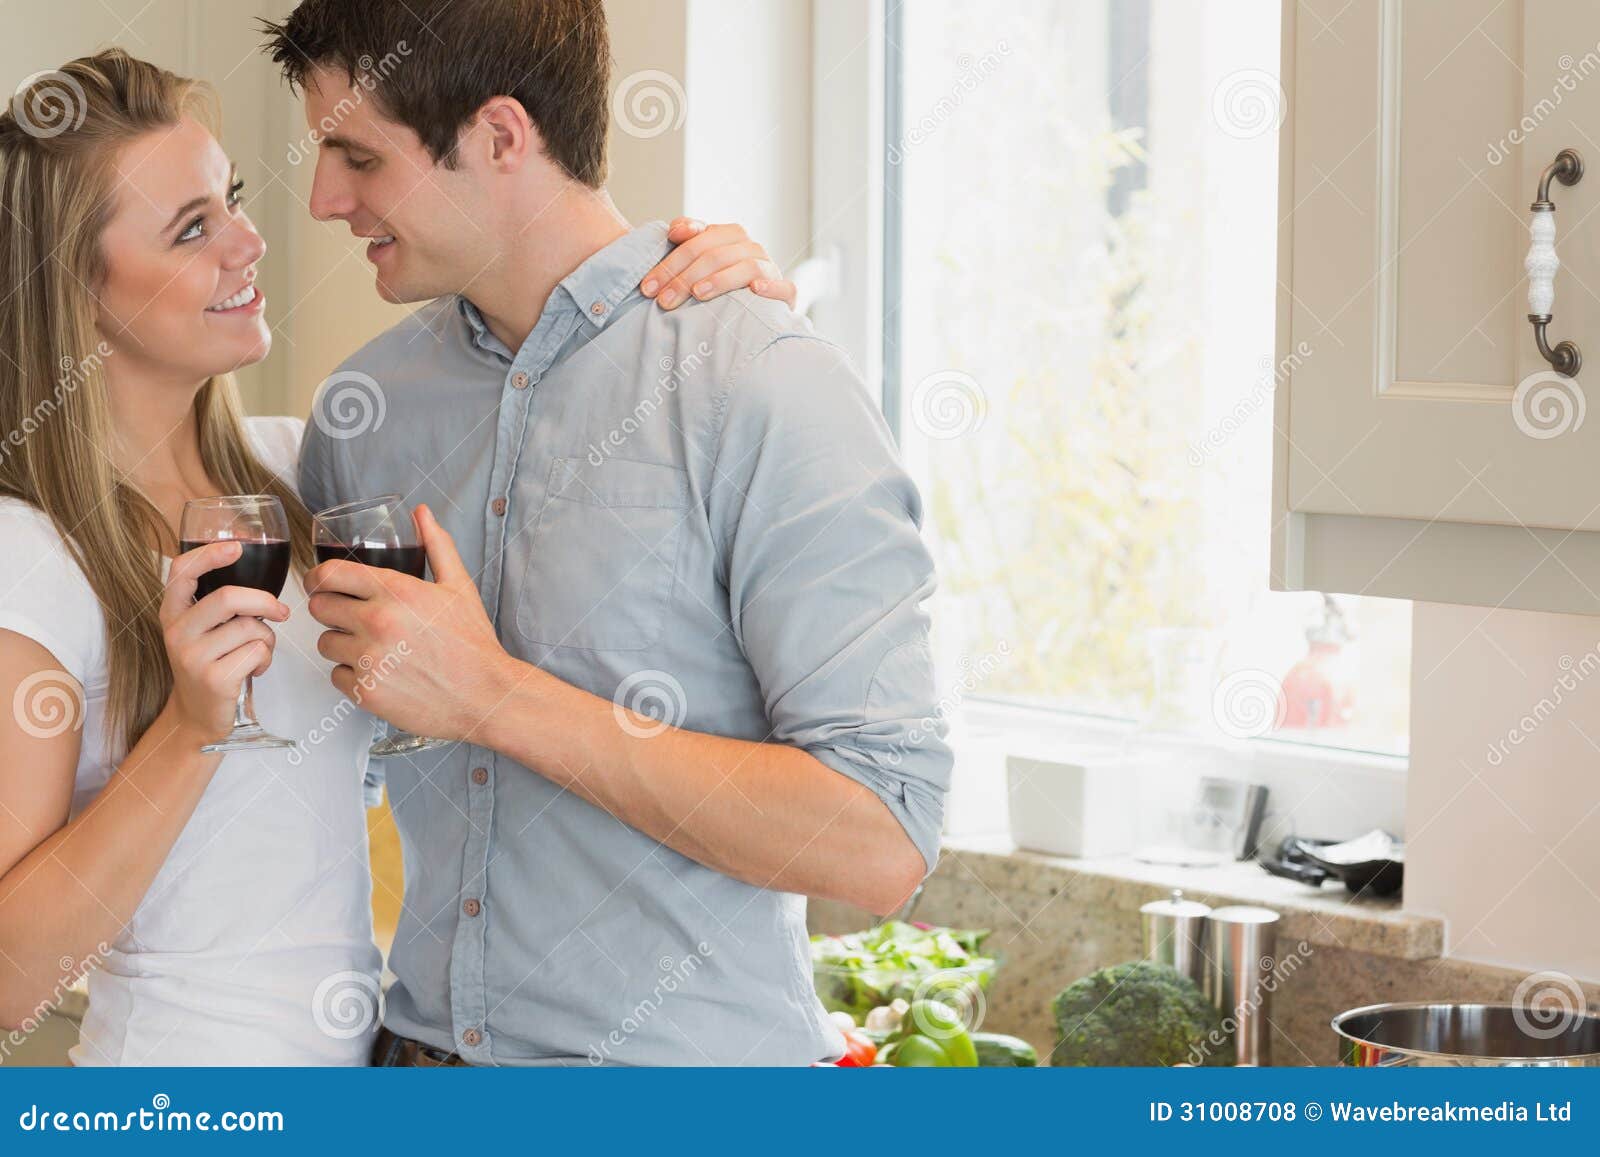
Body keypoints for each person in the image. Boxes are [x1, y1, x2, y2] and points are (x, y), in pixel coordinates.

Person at [0, 48, 791, 1065]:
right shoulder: (30, 553)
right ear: (75, 291)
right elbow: (10, 980)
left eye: (231, 200)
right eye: (192, 228)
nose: (249, 241)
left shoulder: (304, 471)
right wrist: (189, 728)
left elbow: (538, 416)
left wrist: (710, 305)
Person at [272, 0, 952, 1067]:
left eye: (359, 157)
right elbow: (330, 758)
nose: (322, 199)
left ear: (501, 136)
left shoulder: (760, 381)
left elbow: (881, 839)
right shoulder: (366, 411)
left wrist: (495, 696)